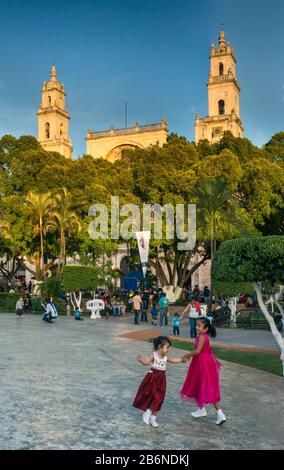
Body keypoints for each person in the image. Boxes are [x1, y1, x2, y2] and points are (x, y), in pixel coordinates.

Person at [180, 317, 226, 425]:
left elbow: (198, 351)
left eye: (199, 325)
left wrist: (186, 355)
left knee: (206, 386)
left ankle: (219, 413)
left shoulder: (202, 337)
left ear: (205, 329)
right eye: (196, 325)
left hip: (202, 364)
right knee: (200, 385)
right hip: (202, 363)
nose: (196, 327)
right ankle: (203, 409)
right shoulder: (202, 336)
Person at [133, 336, 186, 427]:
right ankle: (148, 412)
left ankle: (153, 418)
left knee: (159, 398)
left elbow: (173, 360)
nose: (168, 350)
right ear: (159, 346)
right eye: (167, 347)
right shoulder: (153, 355)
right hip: (152, 378)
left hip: (162, 379)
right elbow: (146, 362)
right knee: (153, 397)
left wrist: (181, 360)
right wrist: (141, 360)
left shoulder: (165, 357)